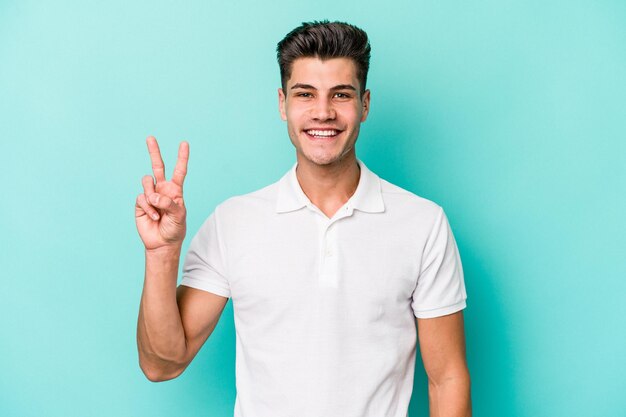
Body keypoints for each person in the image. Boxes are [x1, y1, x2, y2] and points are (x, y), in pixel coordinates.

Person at [135, 20, 471, 417]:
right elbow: (161, 364)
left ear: (365, 104)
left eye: (341, 94)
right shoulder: (233, 223)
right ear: (283, 104)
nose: (323, 112)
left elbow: (446, 377)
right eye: (305, 94)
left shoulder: (422, 224)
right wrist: (162, 253)